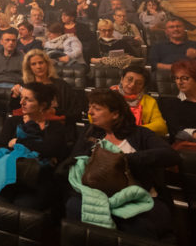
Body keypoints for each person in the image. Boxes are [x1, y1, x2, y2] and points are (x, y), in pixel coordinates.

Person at [66, 89, 179, 238]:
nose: (90, 112)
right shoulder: (90, 132)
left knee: (140, 224)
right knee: (73, 205)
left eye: (97, 108)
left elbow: (171, 155)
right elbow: (76, 158)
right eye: (90, 107)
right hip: (98, 192)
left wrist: (124, 159)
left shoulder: (140, 134)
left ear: (115, 114)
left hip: (137, 193)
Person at [0, 82, 68, 209]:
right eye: (21, 97)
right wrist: (37, 150)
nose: (21, 102)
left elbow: (50, 150)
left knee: (23, 206)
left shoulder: (55, 127)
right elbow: (1, 147)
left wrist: (18, 142)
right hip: (8, 176)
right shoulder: (12, 122)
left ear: (42, 105)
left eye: (28, 100)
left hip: (35, 182)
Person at [9, 50, 83, 124]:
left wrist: (55, 111)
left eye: (41, 63)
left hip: (57, 127)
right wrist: (14, 96)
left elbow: (76, 113)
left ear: (47, 64)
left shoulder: (62, 86)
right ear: (29, 68)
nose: (38, 67)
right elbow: (12, 112)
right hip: (30, 126)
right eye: (33, 64)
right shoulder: (24, 86)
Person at [109, 65, 167, 136]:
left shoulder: (149, 101)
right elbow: (93, 118)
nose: (133, 85)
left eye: (139, 83)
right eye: (129, 79)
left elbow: (161, 127)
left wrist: (134, 130)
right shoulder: (109, 96)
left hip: (138, 139)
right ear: (122, 79)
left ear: (143, 86)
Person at [162, 59, 196, 143]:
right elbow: (177, 132)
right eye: (176, 78)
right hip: (185, 149)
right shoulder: (170, 104)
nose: (179, 82)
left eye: (184, 78)